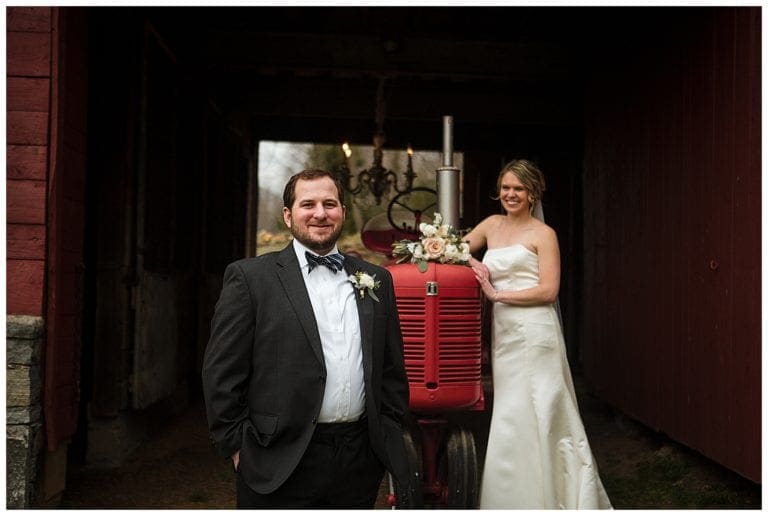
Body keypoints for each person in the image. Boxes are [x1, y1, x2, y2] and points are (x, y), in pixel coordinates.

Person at [202, 168, 411, 508]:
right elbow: (221, 372)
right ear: (288, 215)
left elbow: (391, 368)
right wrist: (238, 448)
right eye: (308, 204)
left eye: (330, 203)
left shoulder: (376, 279)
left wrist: (385, 432)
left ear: (342, 211)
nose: (320, 213)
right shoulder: (250, 279)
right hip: (277, 459)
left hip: (358, 460)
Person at [463, 159, 612, 509]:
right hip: (505, 334)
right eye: (506, 188)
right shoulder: (491, 225)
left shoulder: (544, 235)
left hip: (535, 331)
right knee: (510, 413)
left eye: (519, 188)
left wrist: (497, 294)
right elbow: (453, 249)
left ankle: (559, 496)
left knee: (542, 408)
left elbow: (548, 291)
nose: (511, 194)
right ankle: (514, 497)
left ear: (533, 194)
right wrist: (475, 264)